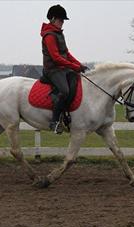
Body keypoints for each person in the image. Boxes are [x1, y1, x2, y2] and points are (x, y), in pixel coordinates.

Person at [40, 4, 88, 134]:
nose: (62, 23)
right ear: (53, 19)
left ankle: (66, 114)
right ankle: (54, 121)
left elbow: (66, 53)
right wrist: (74, 66)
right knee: (65, 91)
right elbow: (56, 57)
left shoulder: (59, 34)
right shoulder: (49, 35)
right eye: (61, 20)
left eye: (63, 21)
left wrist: (79, 65)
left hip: (63, 69)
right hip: (53, 70)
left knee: (76, 82)